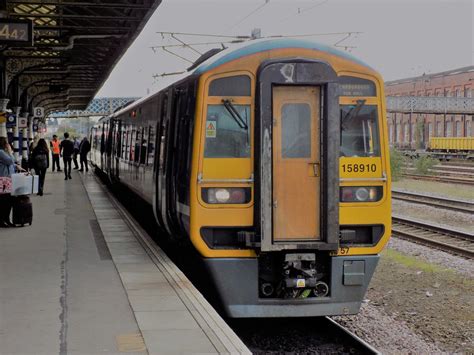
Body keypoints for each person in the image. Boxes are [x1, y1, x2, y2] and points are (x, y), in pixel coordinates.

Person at [0, 137, 16, 227]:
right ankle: (2, 220)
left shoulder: (3, 152)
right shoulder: (1, 152)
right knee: (4, 201)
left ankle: (6, 219)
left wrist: (16, 166)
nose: (8, 144)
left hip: (7, 179)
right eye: (7, 143)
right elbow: (10, 160)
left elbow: (12, 162)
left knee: (8, 200)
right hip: (3, 179)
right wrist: (10, 151)